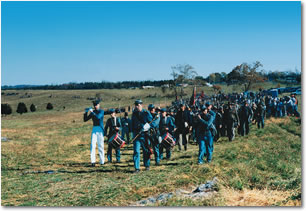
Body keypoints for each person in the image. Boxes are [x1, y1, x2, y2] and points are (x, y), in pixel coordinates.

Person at [131, 99, 153, 173]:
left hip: (145, 135)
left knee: (146, 150)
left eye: (138, 105)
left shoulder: (146, 113)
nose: (137, 107)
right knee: (136, 151)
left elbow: (152, 122)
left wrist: (148, 126)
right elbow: (132, 124)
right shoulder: (134, 114)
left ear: (141, 105)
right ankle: (137, 168)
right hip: (137, 135)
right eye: (136, 105)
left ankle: (147, 165)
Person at [83, 100, 105, 167]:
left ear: (99, 105)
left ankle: (102, 161)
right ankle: (93, 161)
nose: (95, 106)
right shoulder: (93, 112)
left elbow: (98, 117)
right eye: (94, 105)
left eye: (96, 105)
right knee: (92, 145)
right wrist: (86, 112)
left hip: (100, 128)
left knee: (100, 145)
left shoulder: (101, 111)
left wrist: (92, 112)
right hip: (94, 128)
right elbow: (85, 119)